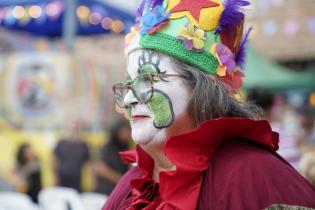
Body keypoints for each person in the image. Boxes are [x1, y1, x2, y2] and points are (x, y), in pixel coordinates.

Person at [103, 0, 315, 209]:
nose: (129, 99)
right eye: (129, 84)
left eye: (148, 78)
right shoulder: (133, 182)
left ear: (203, 87)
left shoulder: (253, 176)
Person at [94, 118, 131, 195]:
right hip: (105, 191)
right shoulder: (108, 147)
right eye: (124, 131)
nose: (127, 134)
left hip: (120, 191)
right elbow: (101, 168)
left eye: (128, 131)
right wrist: (120, 179)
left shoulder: (126, 147)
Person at [53, 121, 90, 192]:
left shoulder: (83, 145)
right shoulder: (61, 143)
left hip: (76, 180)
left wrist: (90, 181)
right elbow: (54, 161)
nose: (74, 131)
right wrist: (55, 177)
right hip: (62, 179)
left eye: (76, 129)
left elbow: (88, 164)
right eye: (72, 128)